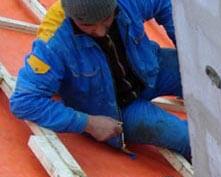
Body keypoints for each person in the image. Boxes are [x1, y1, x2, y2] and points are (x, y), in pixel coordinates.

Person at [10, 0, 191, 161]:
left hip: (151, 70)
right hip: (118, 109)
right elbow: (24, 101)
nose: (100, 31)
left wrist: (185, 47)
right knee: (186, 138)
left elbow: (166, 4)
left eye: (106, 19)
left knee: (206, 75)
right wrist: (87, 123)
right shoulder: (53, 43)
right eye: (87, 25)